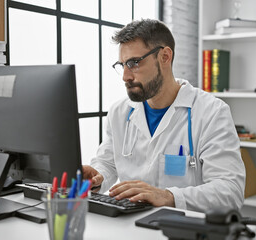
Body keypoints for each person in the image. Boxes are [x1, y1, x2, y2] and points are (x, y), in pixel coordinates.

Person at [83, 19, 245, 212]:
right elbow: (108, 163)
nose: (125, 76)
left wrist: (169, 196)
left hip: (184, 229)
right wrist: (97, 177)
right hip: (130, 226)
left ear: (165, 57)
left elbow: (230, 191)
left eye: (134, 63)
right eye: (123, 64)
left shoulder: (212, 112)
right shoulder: (119, 113)